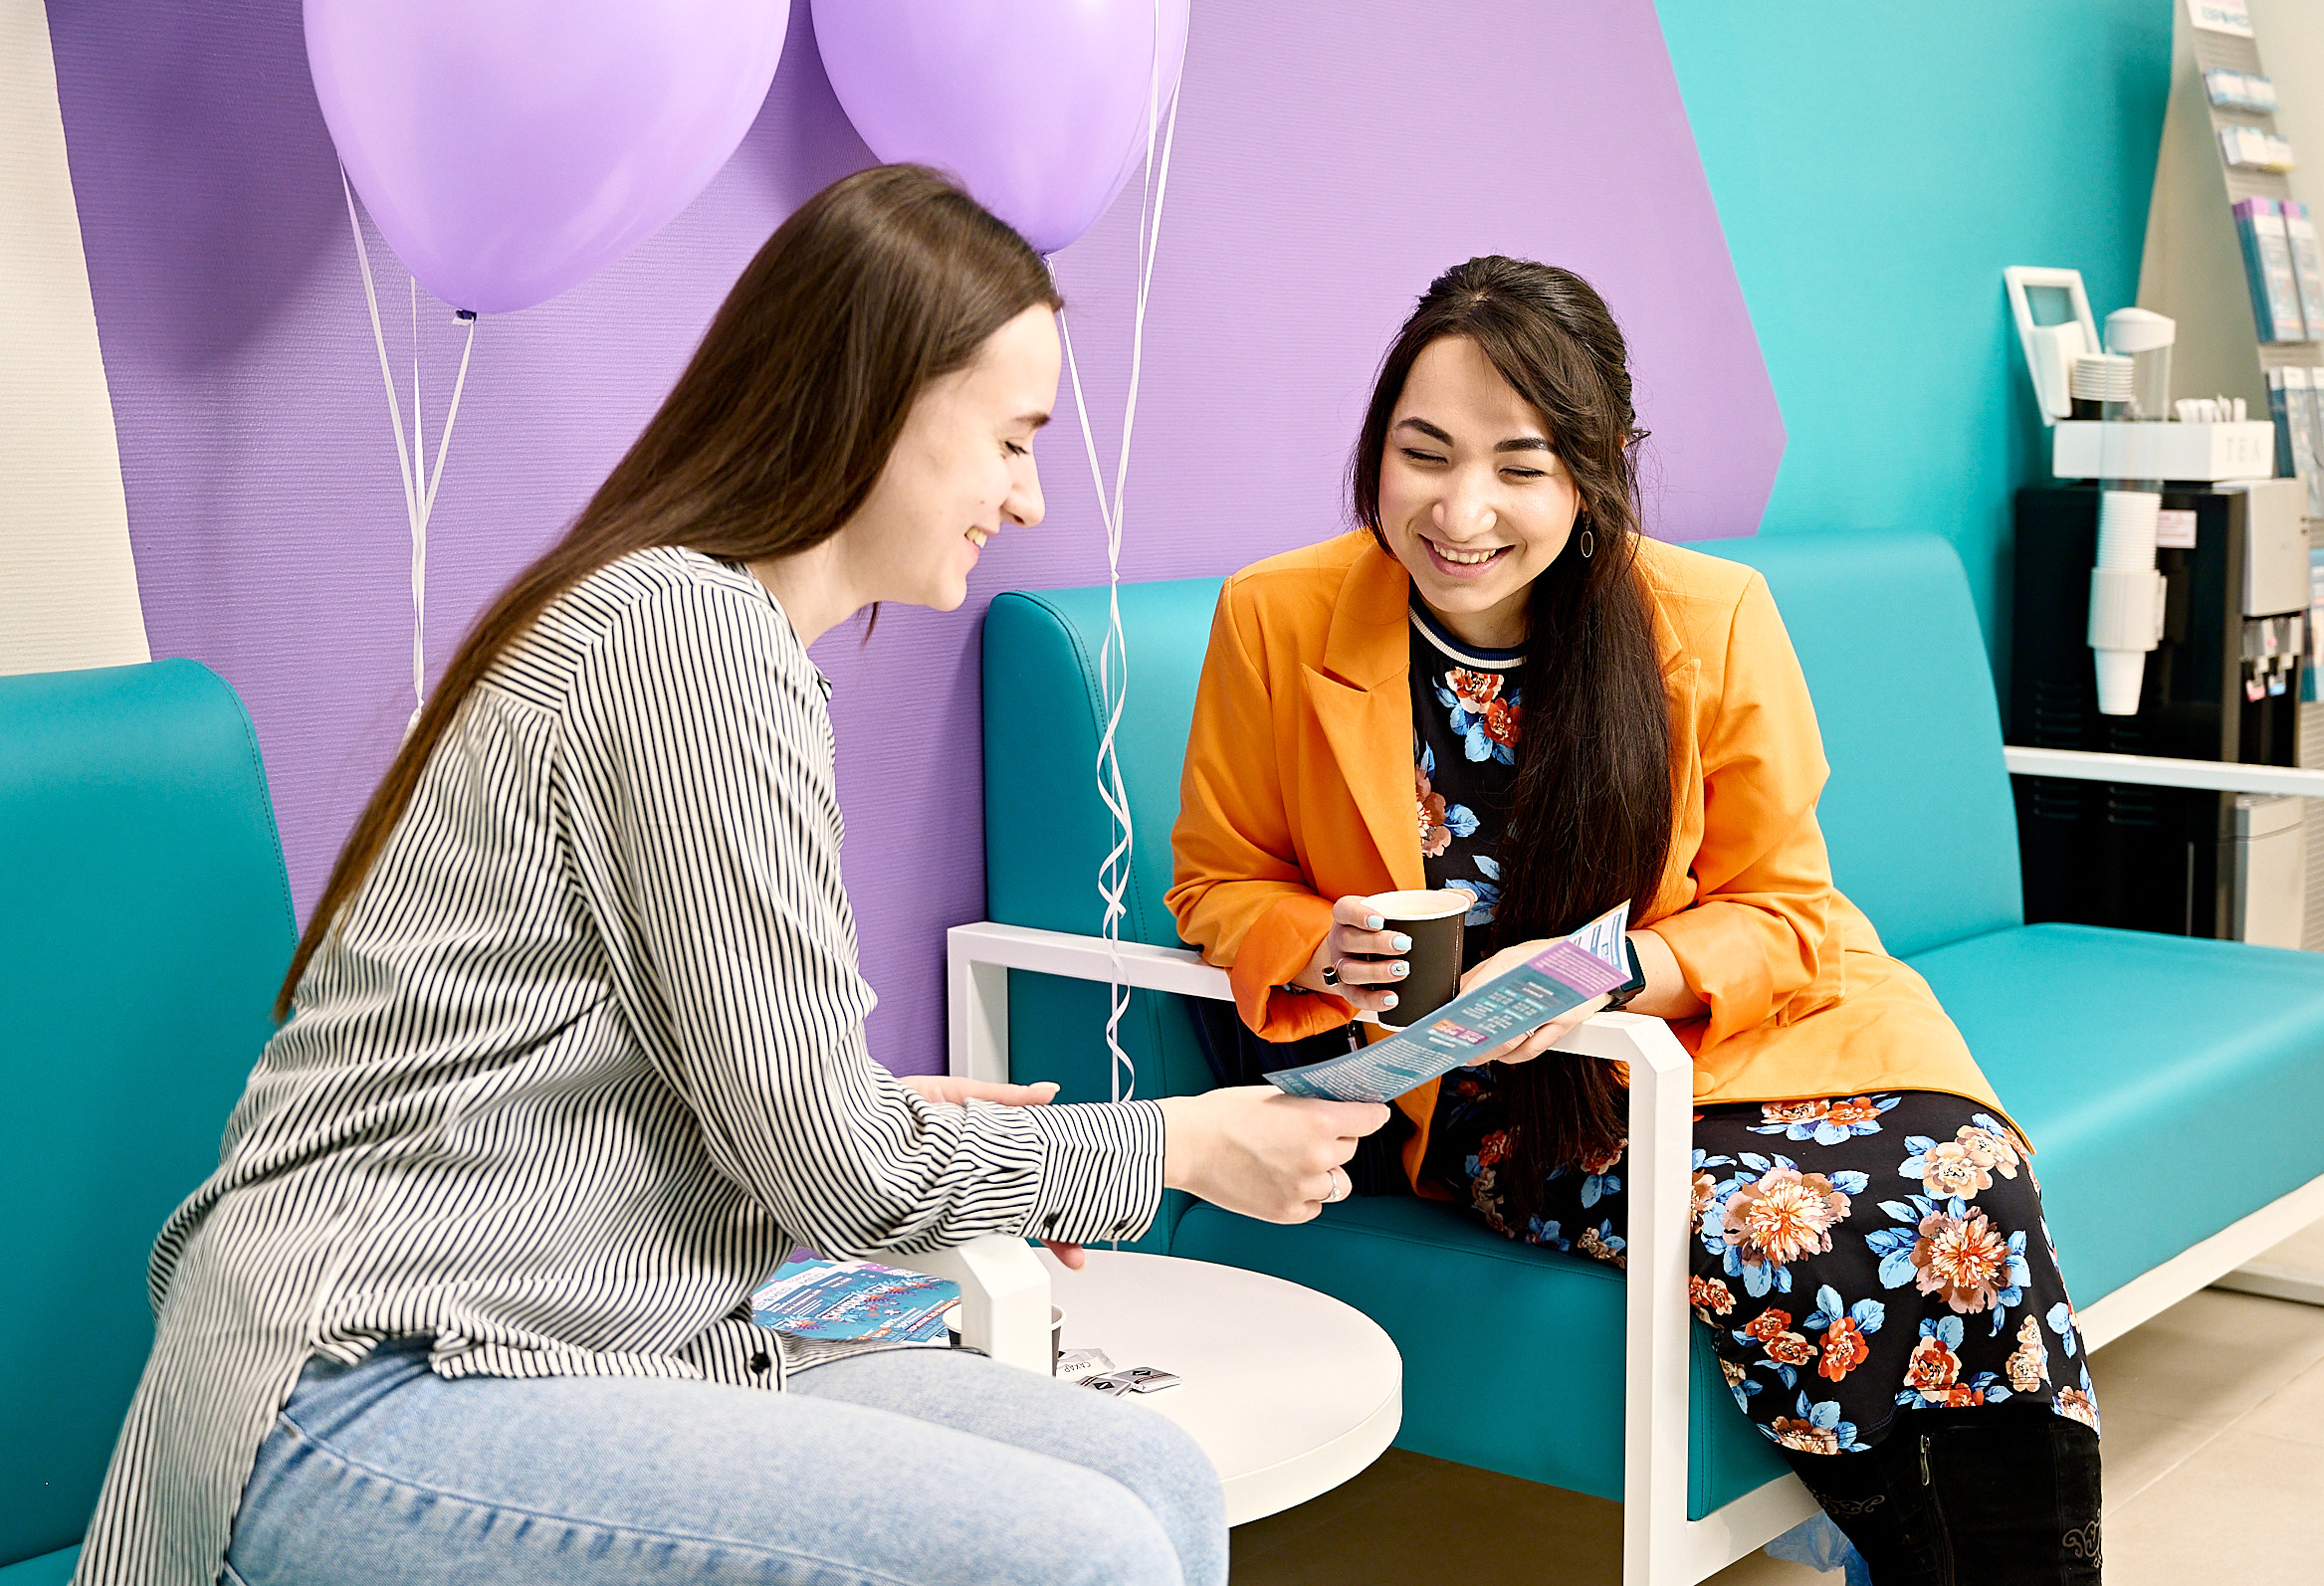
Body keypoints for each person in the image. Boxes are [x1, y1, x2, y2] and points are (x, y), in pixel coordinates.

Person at [74, 165, 1386, 1586]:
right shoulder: (686, 642)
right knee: (1085, 1554)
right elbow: (839, 1176)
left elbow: (707, 1101)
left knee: (1155, 1481)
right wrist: (1179, 1147)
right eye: (1012, 440)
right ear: (878, 401)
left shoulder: (717, 636)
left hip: (598, 1322)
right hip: (375, 1366)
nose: (1027, 497)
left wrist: (880, 1114)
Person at [1166, 256, 2103, 1583]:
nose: (1461, 511)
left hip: (1738, 1035)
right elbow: (1216, 882)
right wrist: (1318, 942)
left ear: (1596, 471)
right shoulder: (1277, 616)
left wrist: (1619, 976)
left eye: (1520, 466)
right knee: (1779, 1222)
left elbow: (1785, 910)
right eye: (1422, 454)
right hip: (1515, 1097)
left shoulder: (1710, 618)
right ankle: (1905, 1543)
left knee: (1970, 1181)